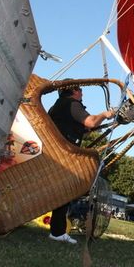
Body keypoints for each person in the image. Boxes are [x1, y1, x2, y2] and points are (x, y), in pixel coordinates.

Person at [47, 84, 114, 244]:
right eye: (80, 90)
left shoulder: (57, 106)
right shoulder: (72, 104)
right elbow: (91, 122)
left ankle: (57, 231)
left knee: (61, 192)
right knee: (65, 191)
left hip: (53, 152)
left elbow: (81, 127)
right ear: (74, 91)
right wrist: (105, 114)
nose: (82, 92)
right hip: (64, 154)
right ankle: (57, 232)